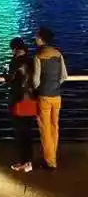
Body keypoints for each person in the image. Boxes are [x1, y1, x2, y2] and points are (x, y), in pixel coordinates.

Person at [33, 27, 68, 170]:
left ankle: (50, 161)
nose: (35, 38)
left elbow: (36, 81)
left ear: (42, 39)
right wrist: (54, 85)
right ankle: (52, 156)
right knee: (54, 127)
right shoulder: (58, 54)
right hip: (57, 96)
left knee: (45, 129)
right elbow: (64, 76)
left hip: (44, 97)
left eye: (37, 37)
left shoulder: (38, 56)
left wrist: (39, 88)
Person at [5, 37, 36, 172]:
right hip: (31, 99)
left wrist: (5, 71)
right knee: (27, 132)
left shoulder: (15, 62)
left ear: (15, 49)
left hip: (18, 100)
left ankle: (24, 162)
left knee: (20, 133)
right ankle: (28, 161)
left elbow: (9, 79)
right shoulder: (31, 61)